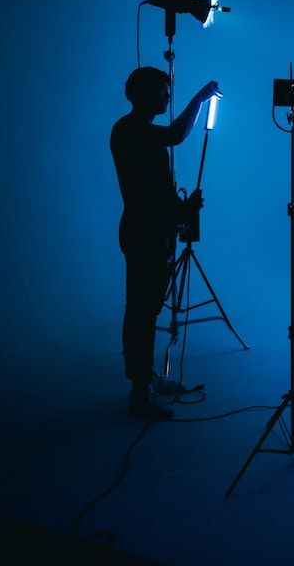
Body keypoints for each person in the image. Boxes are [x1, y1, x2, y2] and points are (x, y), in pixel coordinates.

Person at [110, 66, 221, 420]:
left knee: (149, 308)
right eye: (162, 90)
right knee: (142, 311)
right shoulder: (129, 130)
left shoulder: (136, 131)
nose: (167, 96)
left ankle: (147, 377)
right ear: (143, 94)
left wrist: (181, 209)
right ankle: (140, 391)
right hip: (144, 233)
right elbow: (175, 135)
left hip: (153, 231)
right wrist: (200, 100)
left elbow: (155, 187)